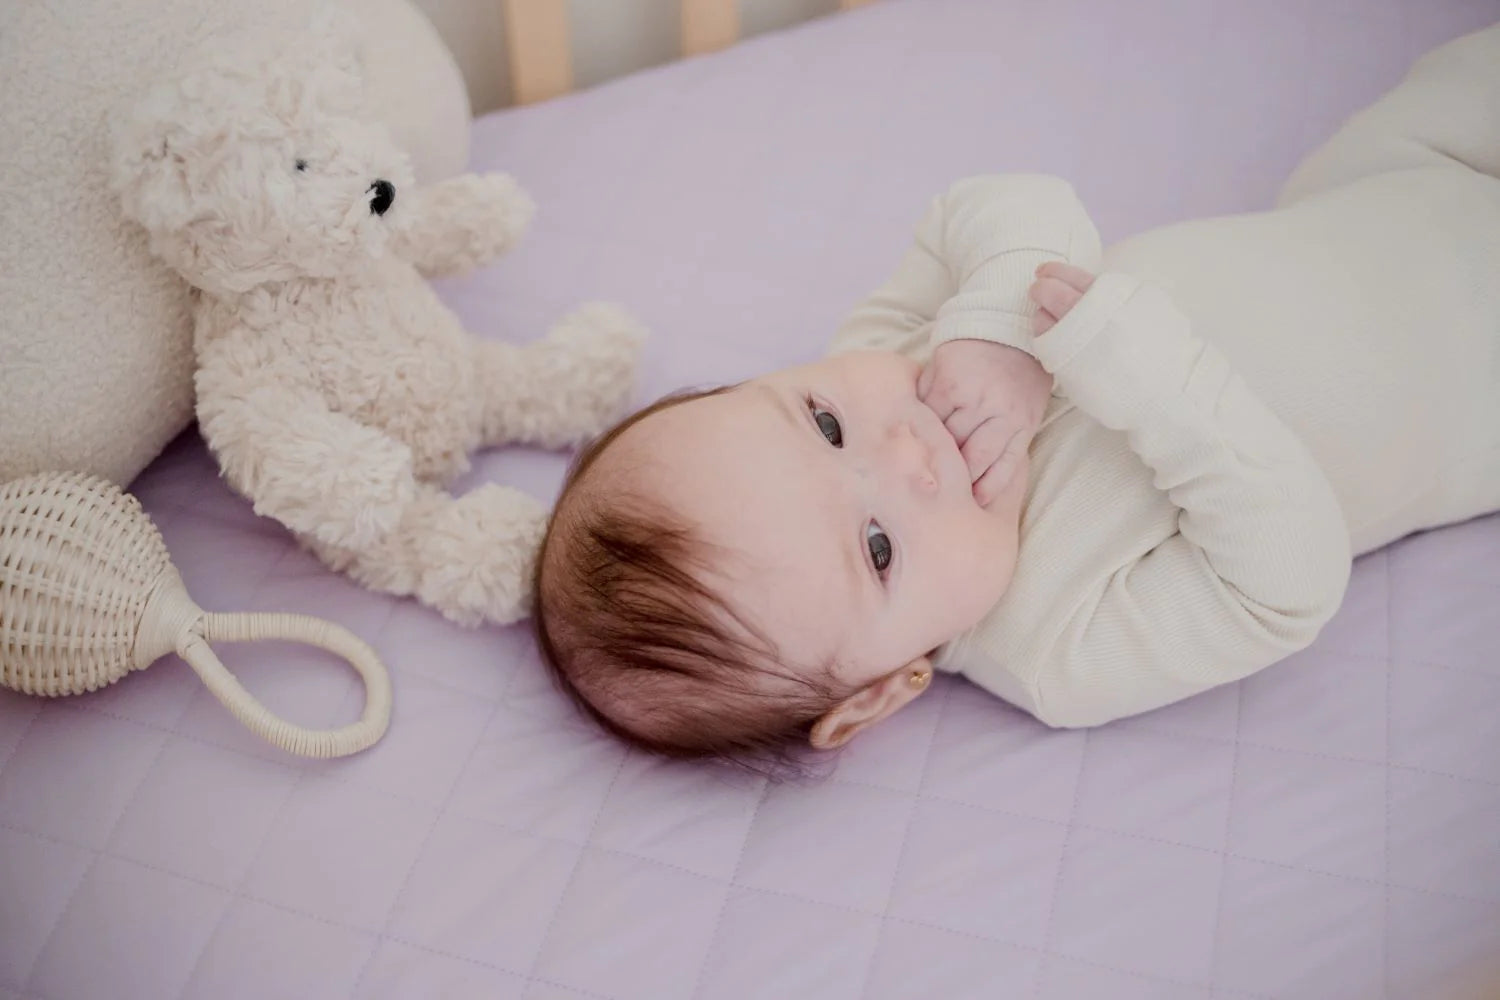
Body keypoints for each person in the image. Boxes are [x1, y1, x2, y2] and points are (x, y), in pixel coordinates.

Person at [534, 23, 1500, 768]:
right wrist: (1155, 387)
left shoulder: (889, 350)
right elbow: (1289, 583)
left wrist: (996, 329)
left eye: (823, 423)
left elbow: (999, 201)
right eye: (878, 547)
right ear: (882, 690)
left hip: (1397, 178)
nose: (905, 449)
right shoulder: (1061, 649)